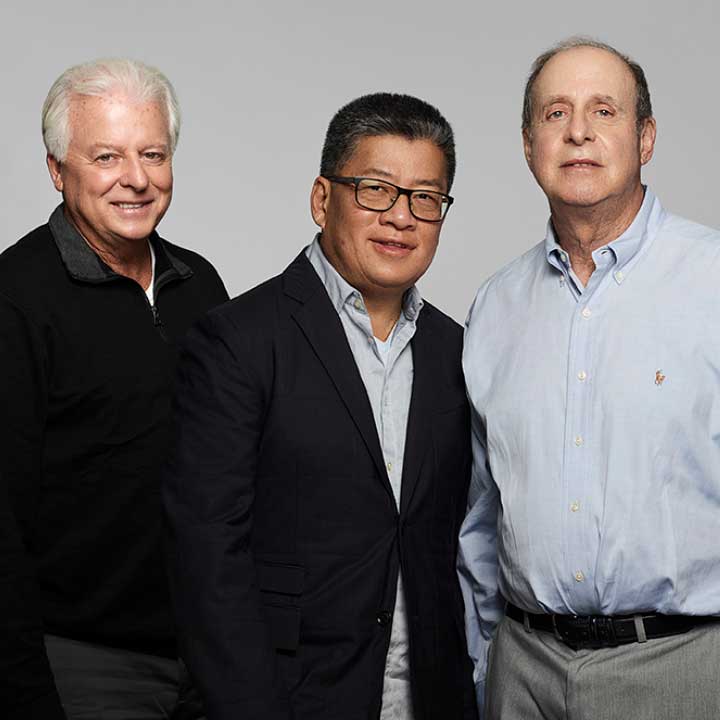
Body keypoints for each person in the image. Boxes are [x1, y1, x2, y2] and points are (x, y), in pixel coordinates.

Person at [163, 92, 478, 720]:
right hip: (288, 699)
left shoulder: (457, 352)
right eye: (375, 189)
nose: (401, 217)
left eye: (426, 198)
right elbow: (206, 560)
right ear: (321, 198)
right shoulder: (238, 339)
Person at [458, 36, 720, 720]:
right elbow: (479, 521)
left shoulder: (712, 282)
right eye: (555, 113)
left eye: (604, 111)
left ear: (646, 136)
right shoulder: (495, 306)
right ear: (527, 143)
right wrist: (486, 662)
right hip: (524, 670)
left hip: (684, 668)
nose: (578, 131)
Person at [0, 58, 228, 720]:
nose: (136, 178)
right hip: (77, 666)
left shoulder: (201, 286)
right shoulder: (16, 299)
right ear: (56, 170)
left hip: (205, 658)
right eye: (106, 156)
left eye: (152, 154)